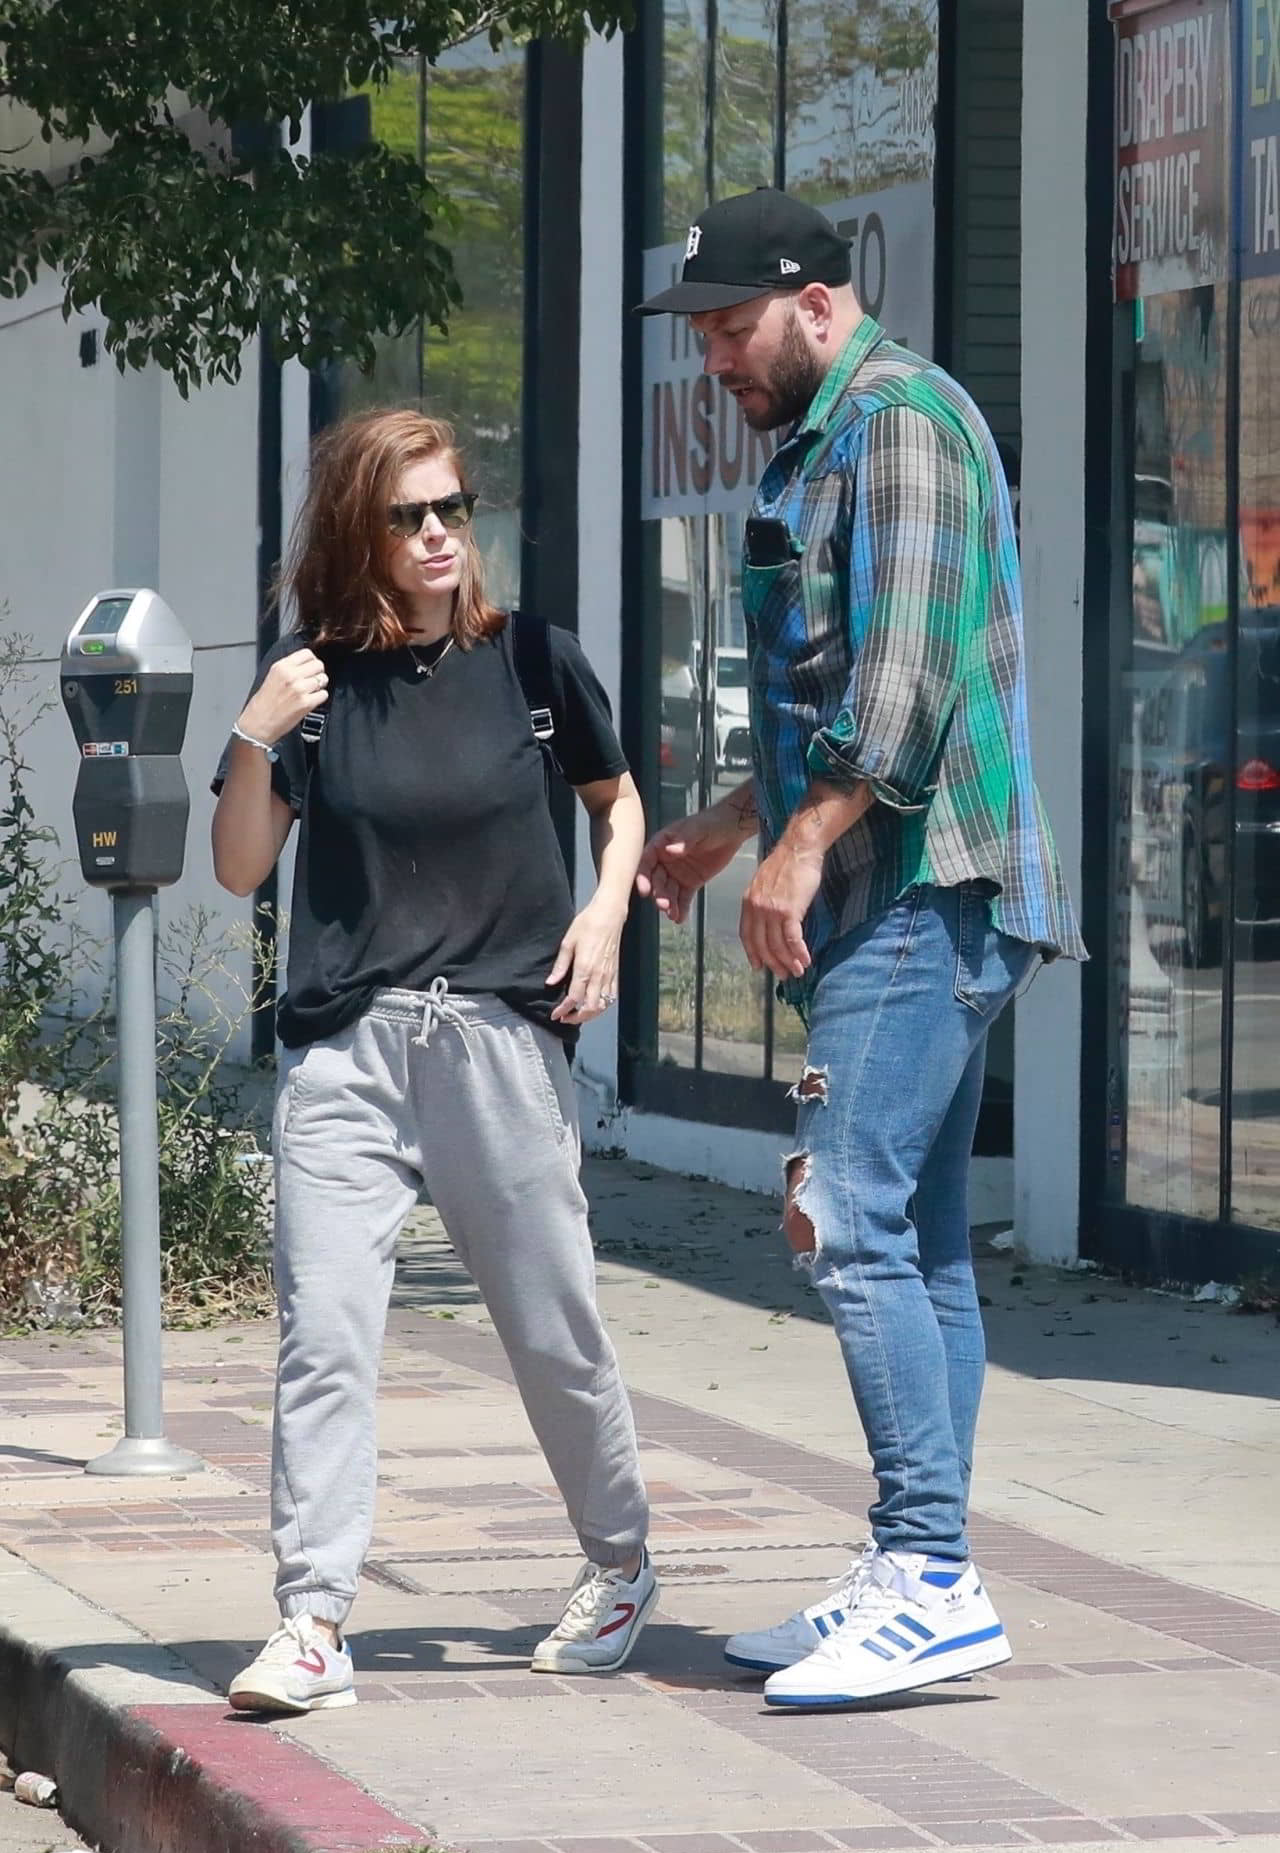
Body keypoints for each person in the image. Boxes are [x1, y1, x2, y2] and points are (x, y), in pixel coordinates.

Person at [636, 189, 1086, 1709]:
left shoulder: (901, 424)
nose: (715, 359)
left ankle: (930, 1574)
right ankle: (918, 1569)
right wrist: (723, 824)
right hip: (892, 892)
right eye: (699, 336)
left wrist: (807, 841)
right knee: (924, 1249)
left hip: (921, 888)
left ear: (818, 303)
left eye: (732, 328)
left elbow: (903, 686)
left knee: (843, 1218)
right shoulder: (817, 441)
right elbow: (821, 693)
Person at [212, 407, 656, 1713]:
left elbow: (615, 800)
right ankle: (313, 1623)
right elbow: (241, 866)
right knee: (326, 1336)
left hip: (501, 1042)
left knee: (550, 1326)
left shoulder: (531, 661)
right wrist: (251, 733)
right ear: (364, 531)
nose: (439, 536)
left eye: (453, 508)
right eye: (409, 516)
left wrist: (604, 911)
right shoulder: (311, 681)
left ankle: (619, 1562)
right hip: (348, 1050)